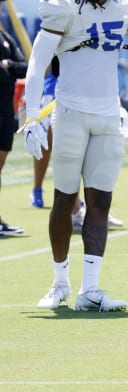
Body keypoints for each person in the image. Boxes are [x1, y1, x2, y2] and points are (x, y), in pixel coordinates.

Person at [24, 0, 128, 310]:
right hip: (70, 112)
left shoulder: (123, 8)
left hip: (108, 115)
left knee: (101, 200)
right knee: (64, 198)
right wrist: (31, 117)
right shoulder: (63, 7)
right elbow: (38, 61)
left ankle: (90, 289)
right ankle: (60, 282)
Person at [29, 67, 125, 229]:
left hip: (92, 91)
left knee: (93, 150)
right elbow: (45, 62)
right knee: (61, 148)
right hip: (61, 89)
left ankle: (92, 209)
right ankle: (70, 208)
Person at [0, 0, 27, 237]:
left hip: (5, 112)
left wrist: (8, 65)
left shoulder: (5, 37)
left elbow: (25, 67)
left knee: (0, 164)